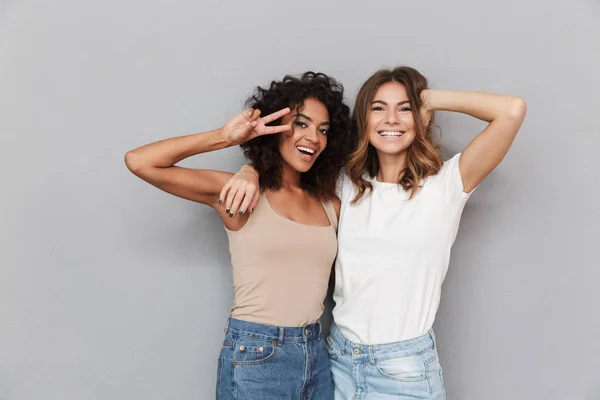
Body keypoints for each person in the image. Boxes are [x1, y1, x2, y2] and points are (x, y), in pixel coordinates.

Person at [221, 66, 527, 399]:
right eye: (378, 108)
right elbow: (286, 174)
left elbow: (512, 111)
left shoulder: (447, 185)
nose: (391, 119)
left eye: (404, 108)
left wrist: (427, 99)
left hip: (403, 372)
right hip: (337, 362)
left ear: (421, 118)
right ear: (364, 121)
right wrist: (249, 170)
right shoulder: (342, 185)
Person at [124, 71, 352, 400]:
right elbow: (139, 162)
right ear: (276, 127)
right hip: (257, 353)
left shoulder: (330, 203)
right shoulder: (238, 193)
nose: (313, 138)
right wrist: (225, 137)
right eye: (301, 124)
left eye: (323, 130)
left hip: (315, 355)